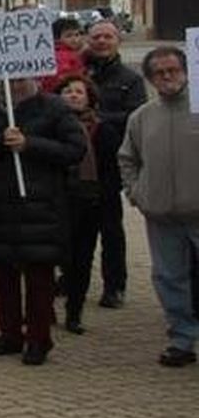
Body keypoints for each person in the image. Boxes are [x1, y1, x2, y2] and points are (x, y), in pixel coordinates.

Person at [0, 76, 85, 365]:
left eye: (21, 79)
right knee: (2, 275)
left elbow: (74, 150)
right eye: (11, 80)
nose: (15, 84)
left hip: (41, 205)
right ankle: (9, 333)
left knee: (39, 277)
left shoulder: (54, 108)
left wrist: (30, 144)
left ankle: (38, 338)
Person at [118, 46, 199, 367]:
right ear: (150, 78)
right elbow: (127, 159)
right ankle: (182, 338)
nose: (167, 77)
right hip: (161, 215)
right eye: (159, 73)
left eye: (173, 70)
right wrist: (137, 193)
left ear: (186, 71)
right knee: (169, 277)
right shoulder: (141, 117)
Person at [82, 20, 146, 308]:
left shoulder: (130, 79)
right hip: (77, 161)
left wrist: (100, 119)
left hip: (109, 162)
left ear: (117, 41)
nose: (102, 42)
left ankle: (114, 286)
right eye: (96, 37)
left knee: (110, 228)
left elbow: (136, 117)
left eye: (108, 37)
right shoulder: (77, 72)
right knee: (75, 226)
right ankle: (71, 278)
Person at [56, 74, 117, 336]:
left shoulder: (103, 130)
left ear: (90, 98)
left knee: (82, 258)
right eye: (67, 91)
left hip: (90, 200)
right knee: (57, 257)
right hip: (57, 200)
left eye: (79, 92)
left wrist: (105, 194)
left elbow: (112, 169)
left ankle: (74, 312)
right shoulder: (50, 126)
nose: (73, 95)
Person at [42, 16, 86, 93]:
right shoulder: (64, 56)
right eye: (69, 36)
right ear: (56, 38)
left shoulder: (72, 53)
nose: (75, 40)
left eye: (77, 35)